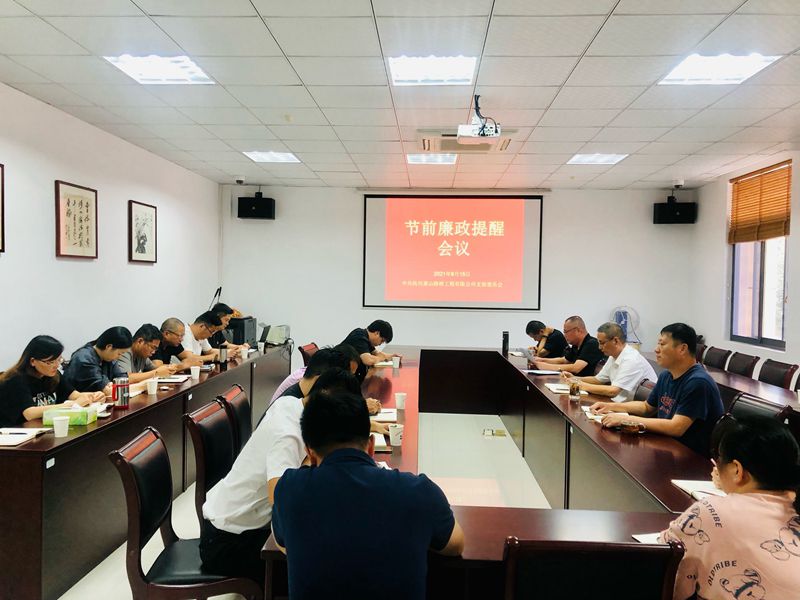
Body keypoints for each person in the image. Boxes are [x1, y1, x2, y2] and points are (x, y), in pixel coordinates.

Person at [271, 389, 464, 600]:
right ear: (371, 446)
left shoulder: (289, 490)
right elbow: (455, 544)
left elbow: (283, 542)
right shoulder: (418, 491)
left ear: (309, 452)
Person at [200, 359, 359, 584]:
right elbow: (281, 502)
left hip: (229, 525)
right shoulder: (288, 436)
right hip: (228, 543)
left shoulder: (290, 404)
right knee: (326, 565)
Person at [660, 416, 800, 600]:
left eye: (718, 459)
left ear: (736, 469)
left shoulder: (710, 511)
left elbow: (661, 572)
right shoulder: (793, 504)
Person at [589, 323, 724, 456]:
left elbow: (676, 427)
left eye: (662, 344)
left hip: (691, 457)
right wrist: (610, 406)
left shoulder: (698, 382)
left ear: (682, 349)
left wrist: (626, 420)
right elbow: (646, 407)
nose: (656, 349)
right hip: (666, 446)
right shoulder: (666, 375)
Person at [0, 335, 105, 427]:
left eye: (59, 360)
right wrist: (72, 405)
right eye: (50, 362)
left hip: (43, 428)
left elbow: (74, 395)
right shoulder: (15, 379)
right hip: (16, 433)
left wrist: (93, 396)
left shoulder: (53, 375)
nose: (56, 365)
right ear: (32, 361)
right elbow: (29, 413)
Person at [561, 322, 656, 402]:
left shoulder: (631, 359)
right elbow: (598, 380)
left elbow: (613, 391)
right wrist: (574, 378)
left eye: (602, 343)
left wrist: (581, 385)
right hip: (619, 403)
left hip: (633, 410)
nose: (599, 347)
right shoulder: (614, 356)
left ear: (615, 341)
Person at [62, 326, 133, 395]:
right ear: (109, 347)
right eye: (119, 353)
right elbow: (107, 390)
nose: (119, 357)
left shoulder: (108, 358)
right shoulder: (84, 359)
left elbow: (122, 379)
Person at [534, 316, 603, 376]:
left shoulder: (592, 344)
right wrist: (541, 360)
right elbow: (564, 360)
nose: (564, 335)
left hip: (585, 383)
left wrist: (546, 366)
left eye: (565, 332)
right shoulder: (576, 344)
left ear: (578, 330)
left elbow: (576, 368)